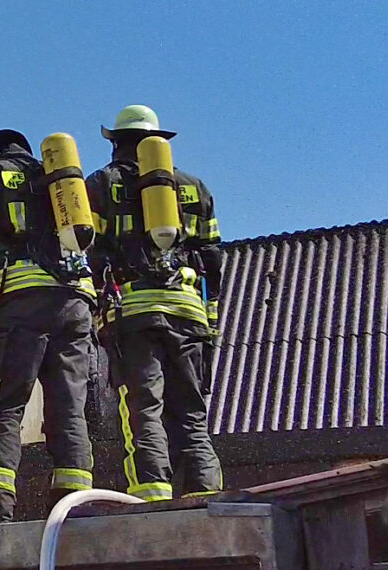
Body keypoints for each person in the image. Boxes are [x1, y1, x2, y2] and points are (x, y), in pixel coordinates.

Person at [0, 130, 97, 524]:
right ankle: (74, 510)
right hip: (77, 303)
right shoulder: (54, 176)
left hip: (24, 304)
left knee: (2, 404)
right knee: (69, 408)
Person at [85, 105, 223, 503]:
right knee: (192, 416)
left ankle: (152, 499)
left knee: (143, 409)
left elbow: (88, 251)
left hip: (136, 313)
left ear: (117, 143)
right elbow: (213, 259)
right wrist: (210, 322)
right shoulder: (195, 187)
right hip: (189, 313)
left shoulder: (103, 183)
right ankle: (206, 499)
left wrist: (98, 311)